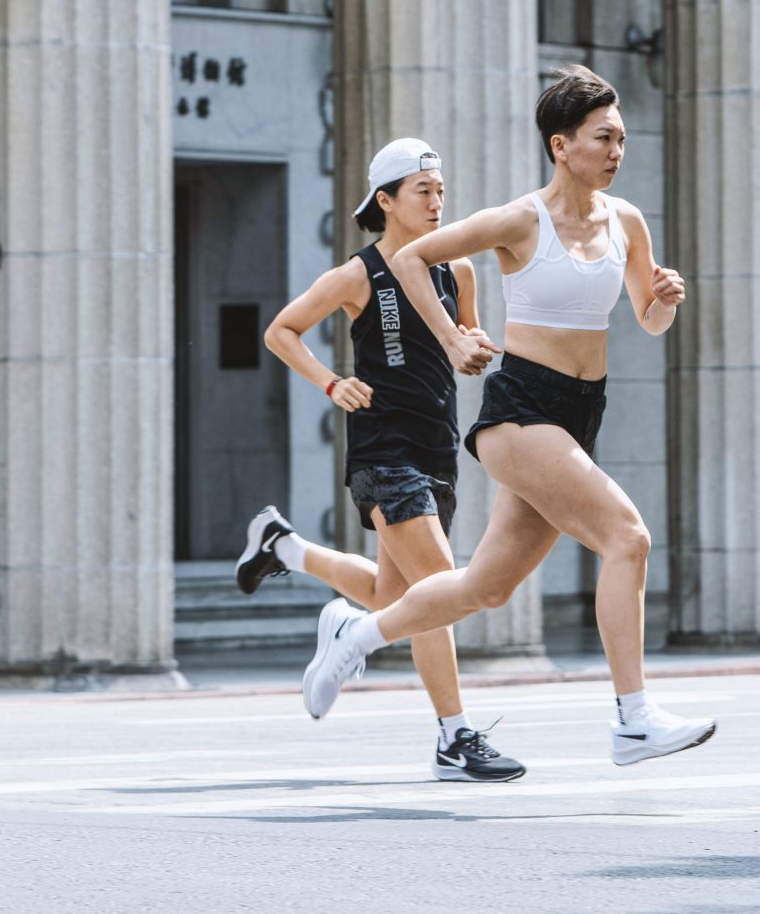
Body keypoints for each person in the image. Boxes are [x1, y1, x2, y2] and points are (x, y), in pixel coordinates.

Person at [296, 67, 721, 767]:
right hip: (521, 412)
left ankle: (358, 635)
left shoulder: (628, 221)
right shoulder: (522, 219)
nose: (617, 151)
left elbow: (647, 319)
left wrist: (666, 298)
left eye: (622, 139)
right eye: (603, 137)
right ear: (561, 145)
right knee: (628, 537)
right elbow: (409, 257)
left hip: (580, 413)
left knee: (484, 587)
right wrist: (455, 336)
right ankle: (633, 718)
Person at [236, 138, 524, 783]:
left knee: (394, 595)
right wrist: (332, 383)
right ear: (386, 201)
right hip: (383, 450)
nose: (437, 202)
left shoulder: (459, 270)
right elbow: (281, 330)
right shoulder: (358, 275)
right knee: (437, 589)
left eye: (441, 191)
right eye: (423, 192)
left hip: (437, 448)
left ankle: (283, 549)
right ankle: (454, 738)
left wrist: (473, 344)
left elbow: (466, 340)